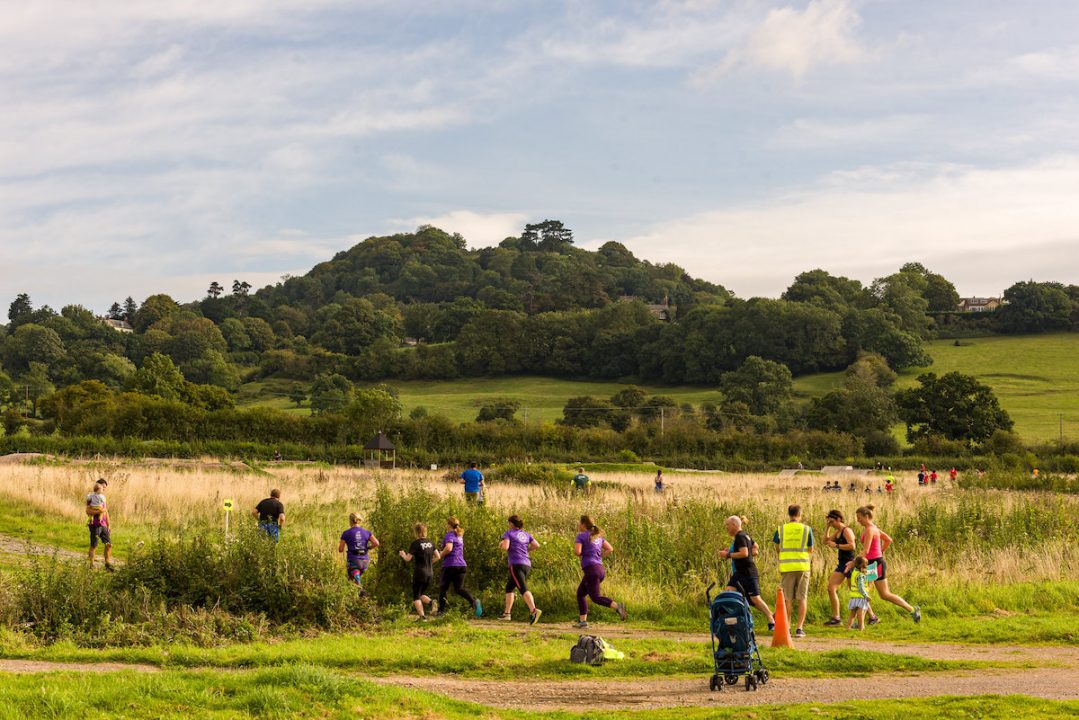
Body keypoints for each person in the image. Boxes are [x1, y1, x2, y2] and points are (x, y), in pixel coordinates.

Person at [847, 505, 921, 623]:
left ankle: (912, 610)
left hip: (874, 564)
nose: (858, 520)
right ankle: (871, 618)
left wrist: (853, 563)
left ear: (866, 516)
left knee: (882, 594)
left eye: (859, 518)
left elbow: (865, 551)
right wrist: (880, 552)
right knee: (866, 592)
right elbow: (888, 540)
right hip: (873, 563)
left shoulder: (870, 530)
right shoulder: (873, 528)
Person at [719, 515, 775, 631]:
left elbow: (744, 553)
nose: (727, 528)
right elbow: (755, 547)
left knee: (755, 599)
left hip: (748, 572)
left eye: (728, 525)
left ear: (734, 525)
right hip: (739, 573)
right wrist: (734, 552)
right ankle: (734, 621)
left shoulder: (740, 536)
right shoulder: (744, 536)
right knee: (729, 592)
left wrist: (728, 555)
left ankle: (771, 618)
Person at [822, 510, 876, 627]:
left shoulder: (847, 530)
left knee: (857, 592)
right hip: (842, 564)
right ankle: (836, 618)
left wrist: (837, 545)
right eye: (829, 522)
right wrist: (827, 528)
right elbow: (824, 541)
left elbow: (852, 545)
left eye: (832, 522)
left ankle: (872, 617)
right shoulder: (837, 532)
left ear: (839, 519)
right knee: (831, 588)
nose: (831, 524)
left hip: (850, 564)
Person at [574, 515, 627, 628]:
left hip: (591, 570)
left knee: (595, 597)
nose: (579, 525)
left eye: (579, 523)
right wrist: (599, 556)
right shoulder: (597, 536)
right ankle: (583, 622)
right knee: (580, 594)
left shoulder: (581, 536)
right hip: (600, 569)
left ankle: (617, 606)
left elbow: (577, 552)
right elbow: (610, 548)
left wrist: (586, 553)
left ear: (583, 524)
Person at [773, 504, 813, 638]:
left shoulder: (781, 529)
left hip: (787, 567)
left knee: (787, 599)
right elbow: (810, 549)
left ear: (788, 514)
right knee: (802, 598)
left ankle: (787, 627)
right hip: (802, 567)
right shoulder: (807, 529)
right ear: (800, 514)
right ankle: (799, 628)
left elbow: (777, 548)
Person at [499, 514, 542, 624]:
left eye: (509, 523)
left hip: (516, 564)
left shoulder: (508, 533)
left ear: (511, 524)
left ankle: (533, 611)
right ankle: (507, 614)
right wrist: (526, 551)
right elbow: (536, 545)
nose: (508, 525)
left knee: (523, 588)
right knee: (509, 588)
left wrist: (501, 544)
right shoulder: (526, 534)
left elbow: (505, 547)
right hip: (526, 564)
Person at [436, 516, 482, 617]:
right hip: (461, 565)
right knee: (459, 589)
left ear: (449, 525)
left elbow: (448, 548)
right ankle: (474, 602)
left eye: (446, 523)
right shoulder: (459, 535)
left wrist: (439, 556)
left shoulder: (449, 535)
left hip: (450, 565)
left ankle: (441, 611)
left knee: (443, 588)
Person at [399, 523, 439, 620]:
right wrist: (430, 562)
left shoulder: (416, 543)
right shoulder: (430, 542)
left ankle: (422, 617)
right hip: (430, 573)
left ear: (417, 532)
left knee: (416, 596)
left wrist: (403, 555)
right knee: (420, 594)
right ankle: (431, 602)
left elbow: (408, 559)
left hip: (420, 573)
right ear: (425, 531)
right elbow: (438, 556)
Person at [339, 512, 379, 593]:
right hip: (365, 562)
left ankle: (361, 592)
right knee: (351, 582)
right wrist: (368, 548)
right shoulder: (367, 532)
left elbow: (340, 550)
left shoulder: (346, 533)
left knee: (355, 582)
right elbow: (376, 543)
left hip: (354, 561)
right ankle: (357, 598)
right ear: (359, 520)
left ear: (350, 521)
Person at [86, 480, 114, 571]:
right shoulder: (91, 497)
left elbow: (106, 511)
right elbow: (88, 511)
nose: (104, 489)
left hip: (104, 525)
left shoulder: (102, 497)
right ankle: (91, 564)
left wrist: (109, 525)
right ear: (98, 486)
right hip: (94, 524)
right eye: (103, 487)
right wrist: (99, 511)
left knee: (108, 544)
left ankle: (107, 564)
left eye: (105, 488)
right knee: (94, 545)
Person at [846, 557, 871, 631]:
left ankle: (848, 627)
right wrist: (866, 596)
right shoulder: (860, 575)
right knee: (860, 613)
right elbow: (861, 587)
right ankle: (861, 628)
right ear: (861, 566)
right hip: (860, 597)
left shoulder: (854, 572)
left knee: (852, 614)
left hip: (853, 597)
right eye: (865, 566)